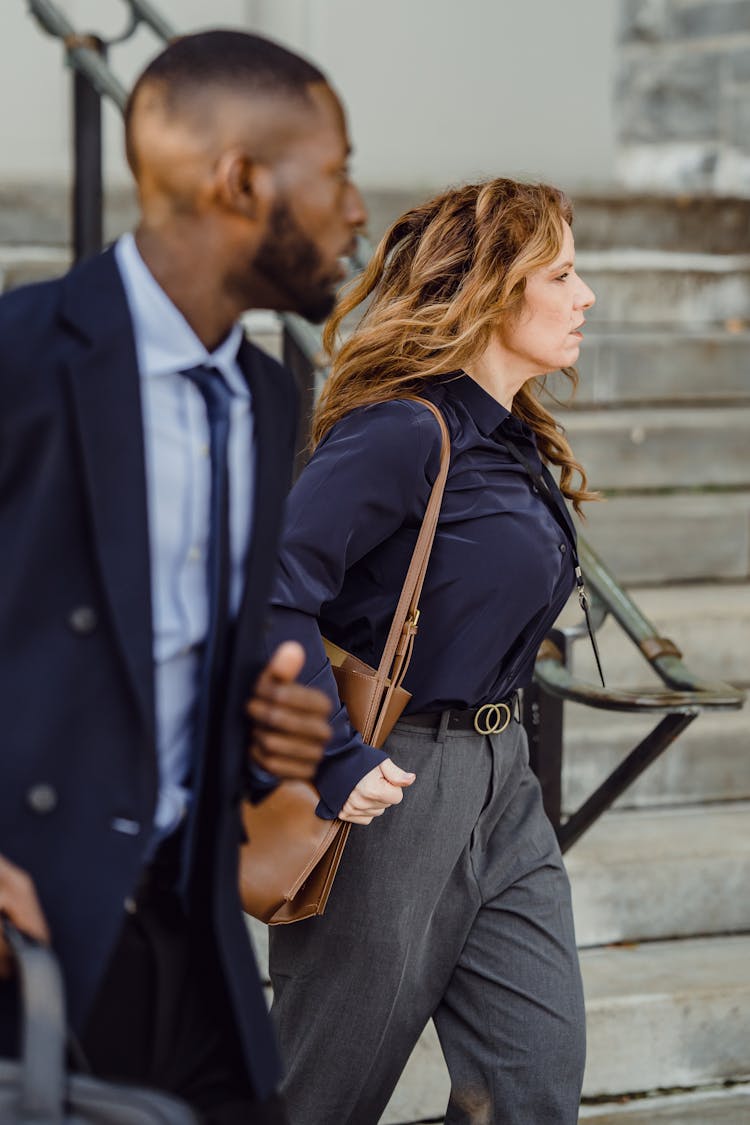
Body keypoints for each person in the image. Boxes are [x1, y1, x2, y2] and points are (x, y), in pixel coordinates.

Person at [0, 29, 366, 1124]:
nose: (357, 211)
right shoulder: (21, 361)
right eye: (338, 171)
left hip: (192, 938)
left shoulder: (261, 399)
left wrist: (268, 738)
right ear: (241, 180)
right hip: (28, 947)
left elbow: (179, 655)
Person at [266, 178, 597, 1124]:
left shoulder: (512, 438)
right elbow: (270, 598)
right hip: (391, 787)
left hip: (504, 778)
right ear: (495, 289)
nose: (585, 297)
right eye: (563, 274)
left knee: (533, 1083)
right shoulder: (403, 430)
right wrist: (334, 757)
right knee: (320, 1095)